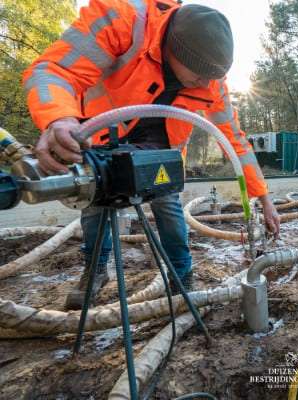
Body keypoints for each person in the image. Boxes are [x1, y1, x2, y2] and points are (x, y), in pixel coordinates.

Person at [23, 0, 280, 310]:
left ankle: (181, 276)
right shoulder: (122, 19)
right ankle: (95, 272)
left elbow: (236, 143)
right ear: (173, 50)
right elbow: (54, 70)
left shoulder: (210, 80)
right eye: (199, 75)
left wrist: (265, 200)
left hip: (161, 150)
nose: (205, 84)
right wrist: (59, 118)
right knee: (95, 203)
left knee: (168, 205)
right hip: (103, 134)